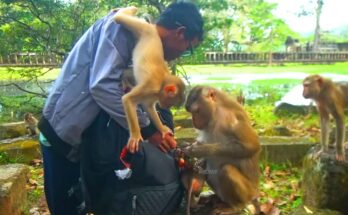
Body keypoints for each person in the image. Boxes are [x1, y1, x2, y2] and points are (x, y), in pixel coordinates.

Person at [38, 2, 204, 215]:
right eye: (189, 49)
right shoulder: (122, 30)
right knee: (66, 208)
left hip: (88, 139)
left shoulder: (148, 49)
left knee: (88, 202)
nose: (183, 54)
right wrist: (148, 130)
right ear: (180, 33)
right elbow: (102, 86)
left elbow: (143, 98)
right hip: (63, 134)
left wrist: (161, 128)